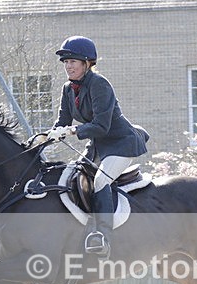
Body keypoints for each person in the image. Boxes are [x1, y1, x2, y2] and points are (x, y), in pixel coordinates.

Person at [44, 35, 149, 257]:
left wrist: (73, 131)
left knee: (101, 180)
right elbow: (62, 121)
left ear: (86, 63)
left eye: (72, 61)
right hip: (98, 145)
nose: (68, 66)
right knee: (74, 176)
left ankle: (102, 237)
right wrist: (46, 137)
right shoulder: (68, 89)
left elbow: (101, 125)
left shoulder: (100, 84)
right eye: (65, 62)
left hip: (121, 143)